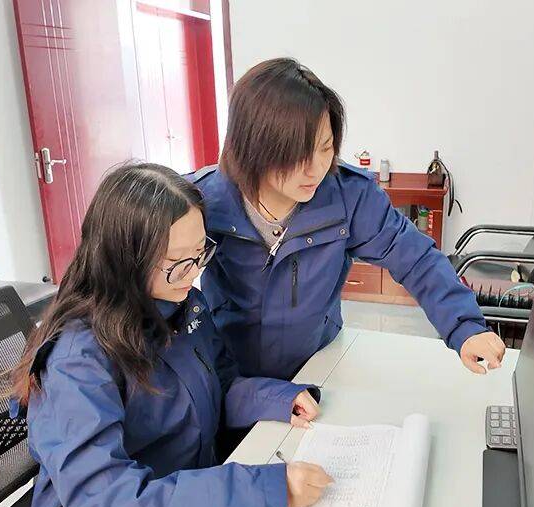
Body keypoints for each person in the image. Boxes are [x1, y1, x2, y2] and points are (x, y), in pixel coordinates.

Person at [8, 163, 331, 507]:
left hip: (181, 500)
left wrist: (278, 398)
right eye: (177, 263)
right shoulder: (77, 360)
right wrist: (262, 491)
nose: (194, 273)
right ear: (125, 260)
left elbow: (221, 384)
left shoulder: (182, 305)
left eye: (200, 253)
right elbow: (111, 500)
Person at [188, 57, 506, 381]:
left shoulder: (349, 196)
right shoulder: (203, 201)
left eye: (325, 148)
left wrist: (465, 326)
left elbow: (416, 259)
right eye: (296, 155)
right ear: (252, 147)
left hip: (317, 365)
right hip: (230, 375)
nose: (316, 169)